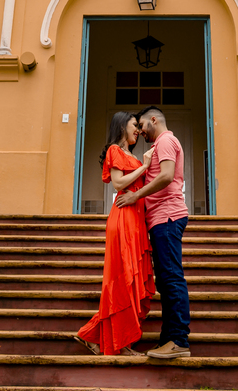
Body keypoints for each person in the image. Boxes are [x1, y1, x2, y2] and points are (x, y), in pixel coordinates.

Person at [74, 111, 156, 356]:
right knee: (123, 279)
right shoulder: (114, 150)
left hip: (136, 220)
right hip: (123, 219)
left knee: (130, 279)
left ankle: (96, 335)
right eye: (134, 125)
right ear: (122, 126)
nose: (138, 131)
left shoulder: (131, 155)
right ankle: (121, 342)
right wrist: (146, 168)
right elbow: (119, 183)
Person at [114, 105, 191, 359]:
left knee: (171, 279)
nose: (140, 131)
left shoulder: (166, 141)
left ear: (154, 120)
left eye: (143, 125)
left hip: (167, 217)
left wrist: (136, 195)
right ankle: (169, 339)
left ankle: (178, 339)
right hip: (160, 219)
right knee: (167, 280)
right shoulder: (160, 145)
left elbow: (167, 175)